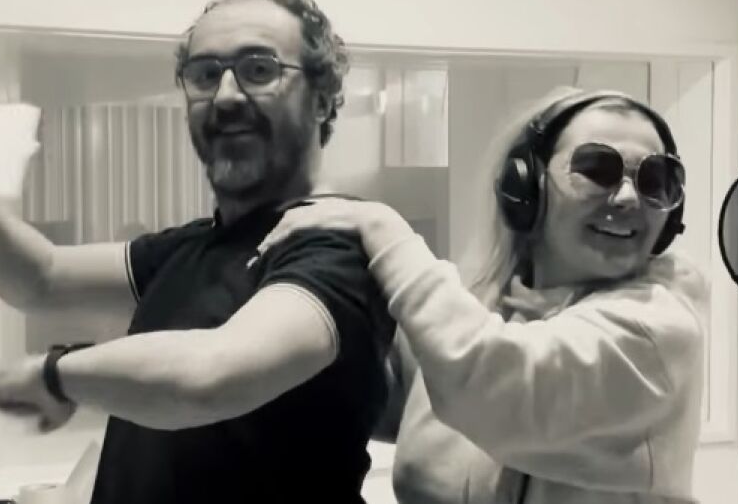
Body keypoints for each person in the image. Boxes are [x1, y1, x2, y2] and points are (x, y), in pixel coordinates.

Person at [0, 0, 396, 504]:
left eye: (258, 70)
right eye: (205, 74)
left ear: (323, 100)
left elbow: (212, 374)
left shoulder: (338, 244)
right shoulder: (194, 247)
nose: (226, 95)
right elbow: (41, 277)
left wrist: (56, 375)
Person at [257, 88, 709, 503]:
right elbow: (370, 396)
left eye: (656, 180)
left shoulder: (657, 330)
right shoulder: (477, 310)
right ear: (525, 187)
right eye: (596, 169)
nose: (629, 198)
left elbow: (492, 377)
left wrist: (382, 229)